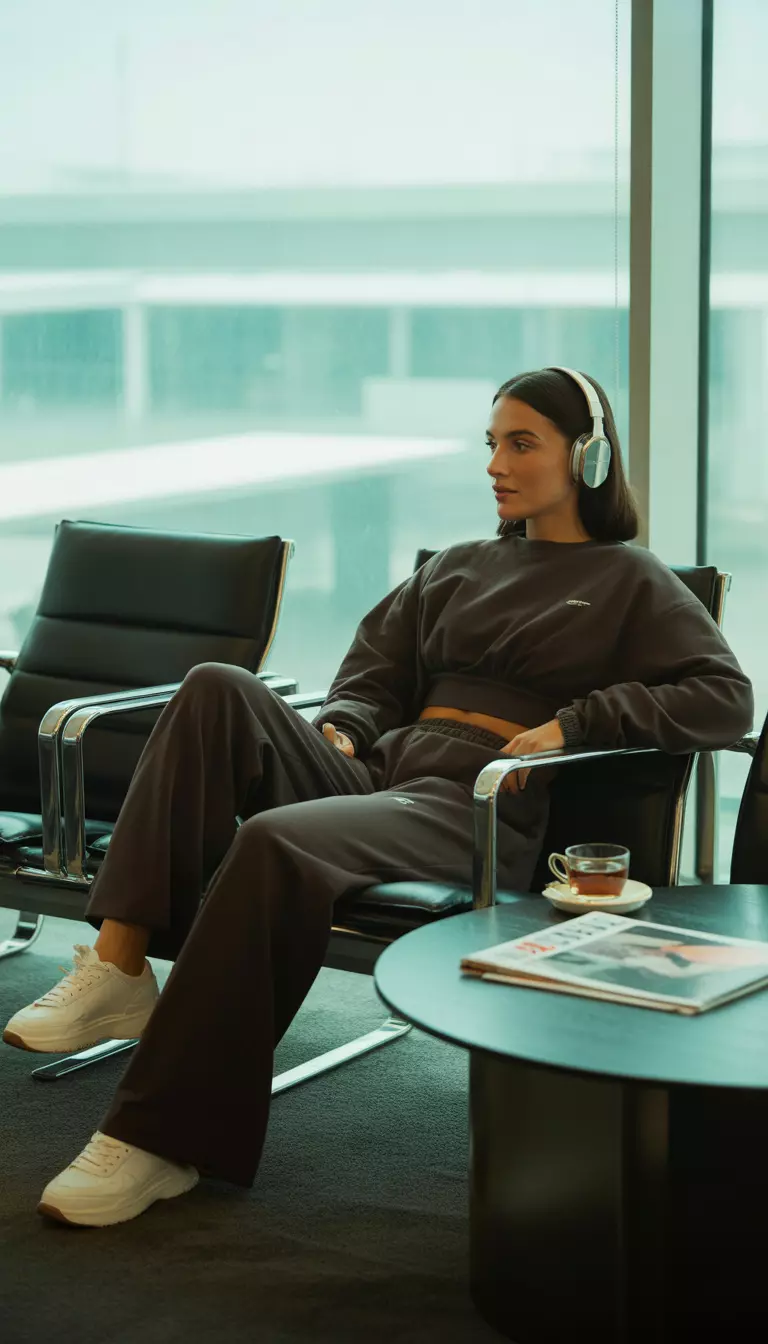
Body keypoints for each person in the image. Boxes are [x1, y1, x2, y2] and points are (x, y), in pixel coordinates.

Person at [3, 367, 753, 1228]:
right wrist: (347, 726)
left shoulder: (631, 578)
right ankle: (121, 962)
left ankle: (159, 1139)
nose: (495, 465)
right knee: (214, 686)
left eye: (521, 444)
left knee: (278, 840)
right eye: (491, 444)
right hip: (384, 772)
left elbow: (724, 697)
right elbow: (371, 672)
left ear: (587, 457)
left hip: (475, 804)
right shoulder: (459, 566)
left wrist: (578, 721)